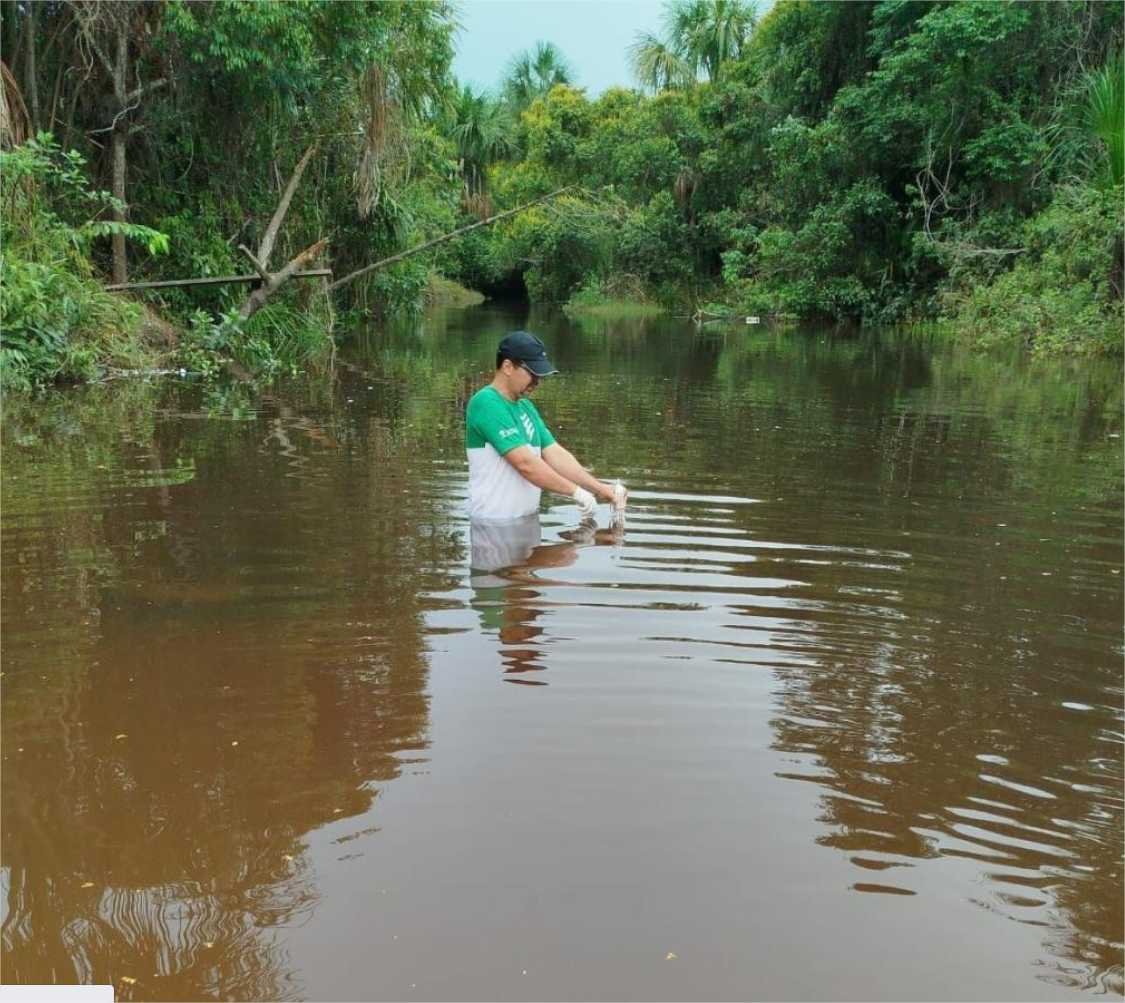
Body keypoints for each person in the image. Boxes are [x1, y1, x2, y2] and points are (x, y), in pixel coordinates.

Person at [465, 330, 626, 523]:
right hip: (493, 525)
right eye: (532, 373)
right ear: (508, 366)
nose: (537, 381)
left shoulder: (526, 407)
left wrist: (600, 489)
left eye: (539, 375)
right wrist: (576, 493)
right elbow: (525, 464)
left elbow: (555, 454)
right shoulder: (486, 403)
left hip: (526, 522)